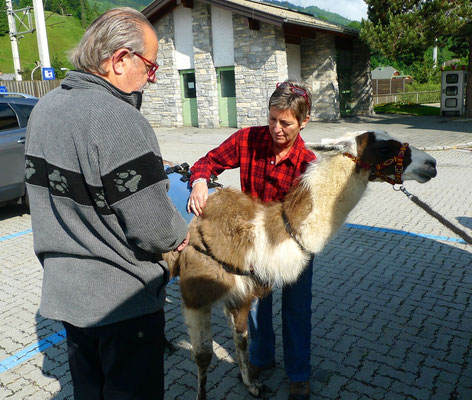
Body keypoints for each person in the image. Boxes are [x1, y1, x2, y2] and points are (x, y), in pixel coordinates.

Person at [24, 8, 189, 400]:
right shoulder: (119, 119)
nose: (152, 77)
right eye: (150, 66)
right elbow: (156, 229)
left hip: (68, 297)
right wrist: (179, 235)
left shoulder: (43, 110)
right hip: (123, 305)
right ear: (119, 60)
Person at [188, 80, 315, 400]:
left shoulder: (308, 164)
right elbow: (208, 161)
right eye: (272, 119)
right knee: (256, 305)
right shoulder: (248, 139)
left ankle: (298, 374)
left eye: (285, 123)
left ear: (304, 121)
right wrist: (200, 181)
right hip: (254, 245)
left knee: (296, 310)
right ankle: (261, 359)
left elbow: (309, 220)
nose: (276, 128)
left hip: (292, 247)